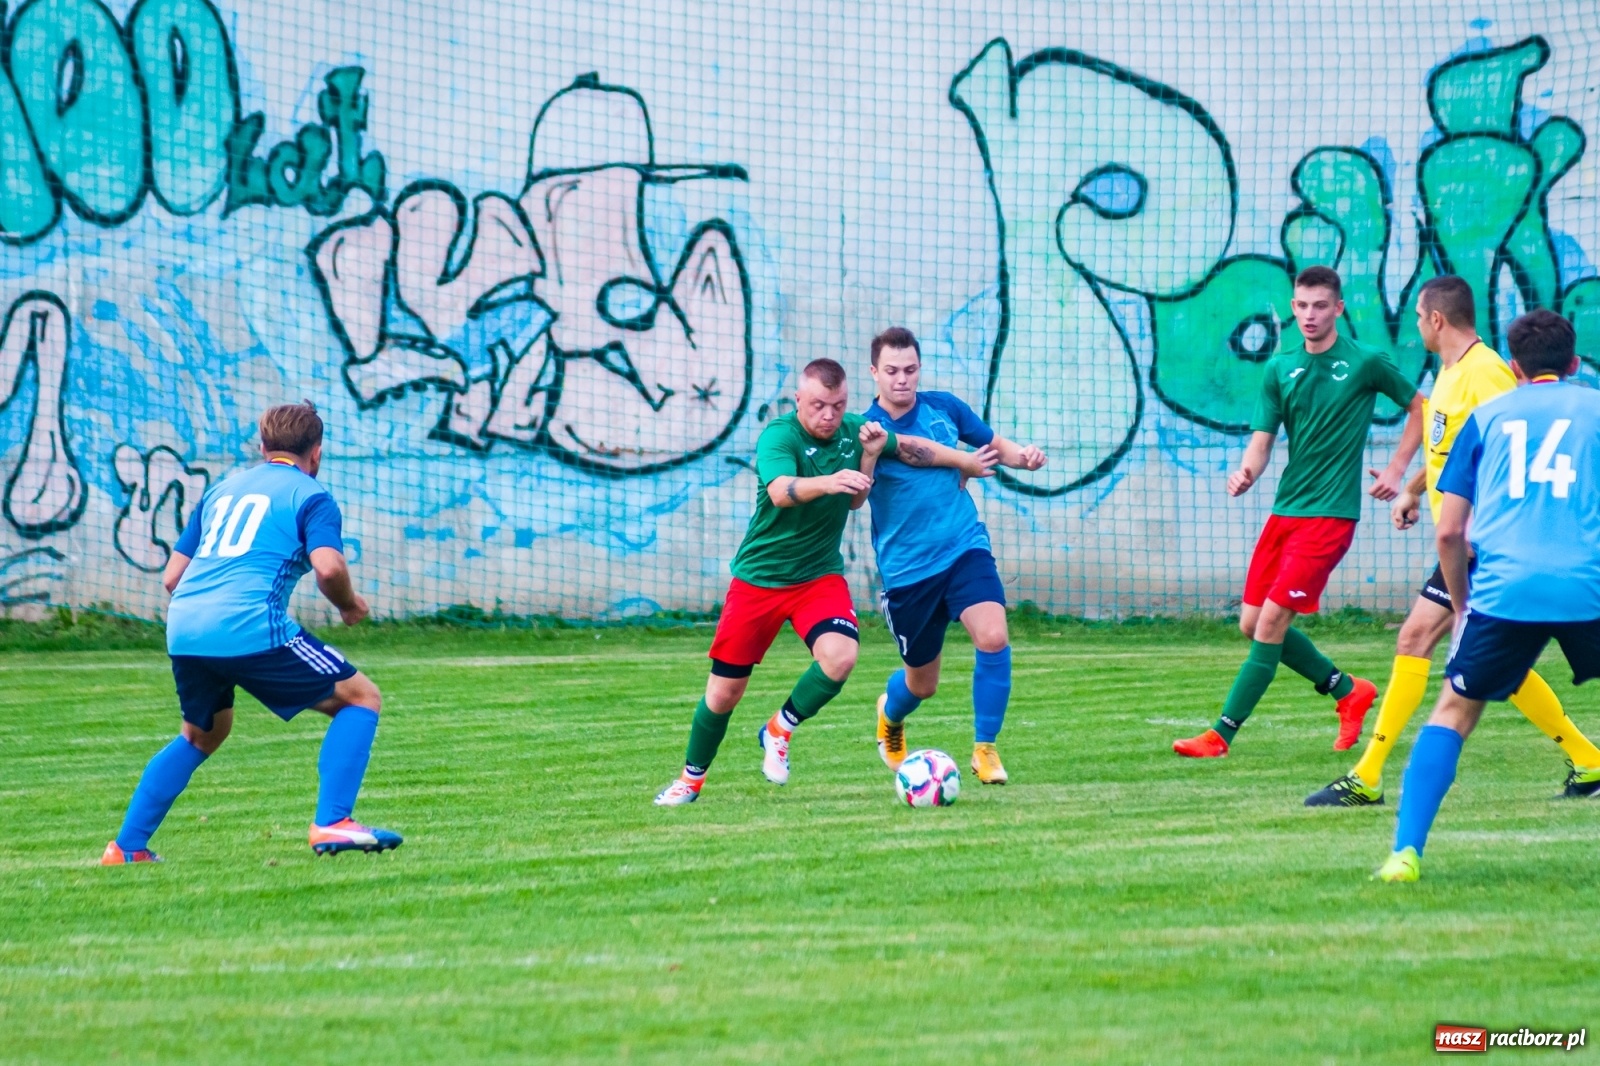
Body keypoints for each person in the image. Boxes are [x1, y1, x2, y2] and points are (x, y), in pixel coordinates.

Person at [1308, 278, 1600, 806]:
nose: (1416, 324)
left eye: (1419, 316)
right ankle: (1589, 760)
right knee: (1499, 666)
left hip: (1482, 543)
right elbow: (1456, 452)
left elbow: (1516, 447)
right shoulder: (1450, 372)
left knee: (1415, 638)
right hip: (1466, 541)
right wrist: (1415, 489)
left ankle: (1368, 776)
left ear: (1436, 320)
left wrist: (1475, 528)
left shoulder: (1487, 372)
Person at [654, 358, 984, 805]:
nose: (828, 415)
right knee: (723, 693)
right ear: (798, 401)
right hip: (759, 581)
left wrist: (963, 459)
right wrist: (830, 482)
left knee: (841, 656)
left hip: (818, 578)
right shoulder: (780, 435)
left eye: (838, 405)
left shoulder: (855, 429)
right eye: (818, 405)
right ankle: (690, 780)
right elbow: (779, 491)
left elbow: (909, 447)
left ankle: (779, 729)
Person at [102, 402, 400, 864]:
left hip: (184, 626)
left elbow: (171, 578)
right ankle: (334, 822)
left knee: (201, 736)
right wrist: (350, 605)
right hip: (248, 624)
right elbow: (329, 566)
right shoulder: (311, 496)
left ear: (262, 448)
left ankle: (126, 848)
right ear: (316, 453)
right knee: (361, 698)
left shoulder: (222, 490)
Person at [1377, 309, 1600, 882]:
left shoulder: (1487, 417)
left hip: (1505, 588)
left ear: (1516, 367)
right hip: (1589, 583)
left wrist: (1462, 603)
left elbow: (1450, 531)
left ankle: (1405, 855)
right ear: (1575, 364)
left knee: (1453, 712)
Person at [1173, 266, 1425, 758]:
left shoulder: (1365, 362)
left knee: (1269, 626)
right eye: (1302, 306)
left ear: (1338, 309)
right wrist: (1246, 472)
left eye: (1320, 306)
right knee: (1251, 623)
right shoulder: (1279, 368)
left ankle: (1220, 735)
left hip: (1330, 517)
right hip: (1285, 512)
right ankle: (1347, 690)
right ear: (1294, 308)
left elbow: (1419, 406)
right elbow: (1261, 442)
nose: (1310, 315)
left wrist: (1397, 471)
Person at [863, 327, 1046, 784]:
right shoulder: (866, 429)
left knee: (993, 636)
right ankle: (891, 715)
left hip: (964, 547)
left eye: (910, 370)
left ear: (919, 369)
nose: (902, 380)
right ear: (874, 374)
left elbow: (991, 443)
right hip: (908, 573)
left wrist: (1022, 456)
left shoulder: (945, 407)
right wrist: (960, 462)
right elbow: (907, 456)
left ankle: (986, 750)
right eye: (891, 371)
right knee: (921, 685)